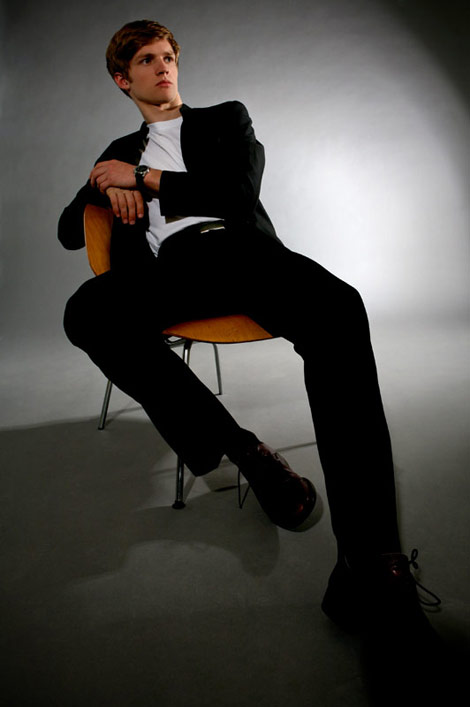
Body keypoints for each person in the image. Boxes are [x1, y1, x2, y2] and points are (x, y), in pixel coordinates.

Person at [59, 20, 442, 650]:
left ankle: (371, 565)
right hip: (170, 271)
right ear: (123, 79)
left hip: (241, 252)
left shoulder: (224, 119)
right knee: (85, 313)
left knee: (340, 309)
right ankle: (247, 454)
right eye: (147, 60)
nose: (164, 67)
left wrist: (145, 180)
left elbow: (238, 193)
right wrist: (105, 184)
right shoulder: (120, 149)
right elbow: (67, 232)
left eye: (168, 56)